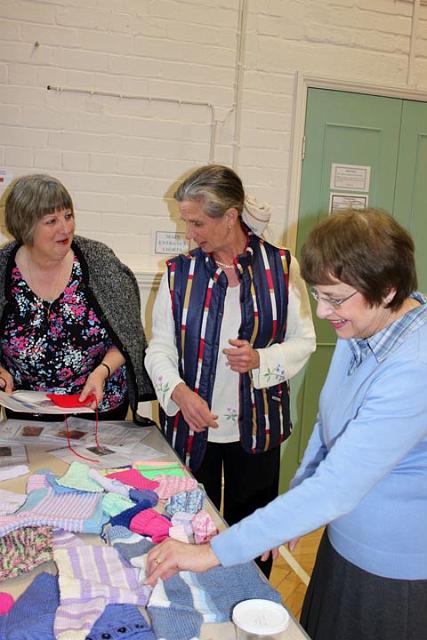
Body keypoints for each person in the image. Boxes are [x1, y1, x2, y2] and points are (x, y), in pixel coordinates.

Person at [145, 209, 427, 640]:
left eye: (334, 298)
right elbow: (328, 426)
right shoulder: (367, 330)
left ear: (387, 290)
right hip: (345, 547)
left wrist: (209, 554)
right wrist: (296, 502)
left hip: (394, 570)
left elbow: (337, 487)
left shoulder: (414, 366)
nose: (322, 311)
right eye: (318, 295)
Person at [145, 164, 316, 576]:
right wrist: (180, 393)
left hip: (257, 429)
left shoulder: (282, 268)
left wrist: (261, 359)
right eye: (186, 221)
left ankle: (249, 609)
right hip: (192, 425)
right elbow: (159, 349)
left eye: (198, 222)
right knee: (188, 529)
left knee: (253, 531)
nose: (190, 232)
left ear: (231, 216)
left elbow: (304, 340)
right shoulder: (178, 273)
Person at [0, 174, 154, 422]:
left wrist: (103, 371)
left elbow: (130, 335)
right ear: (25, 228)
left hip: (98, 405)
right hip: (28, 409)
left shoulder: (100, 262)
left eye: (68, 216)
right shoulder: (3, 269)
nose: (65, 228)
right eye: (51, 221)